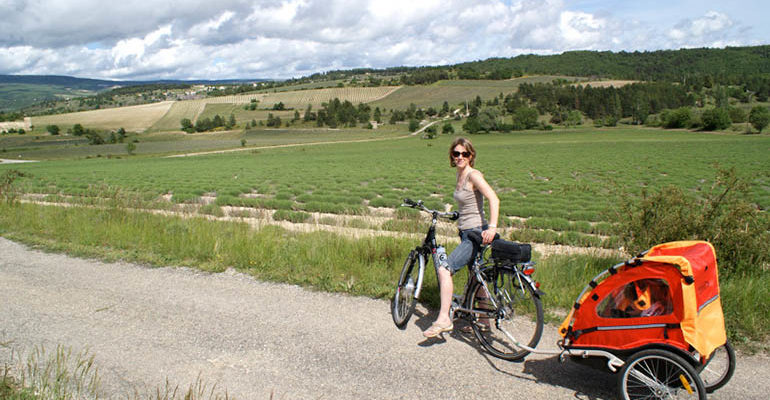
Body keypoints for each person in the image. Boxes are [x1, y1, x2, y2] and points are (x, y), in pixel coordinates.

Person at [423, 137, 500, 338]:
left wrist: (491, 227)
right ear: (451, 155)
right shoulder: (460, 175)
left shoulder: (473, 175)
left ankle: (443, 319)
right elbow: (469, 204)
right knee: (476, 275)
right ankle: (483, 322)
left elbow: (493, 198)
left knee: (445, 269)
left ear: (471, 155)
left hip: (475, 233)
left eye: (464, 154)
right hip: (466, 230)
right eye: (456, 153)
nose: (460, 157)